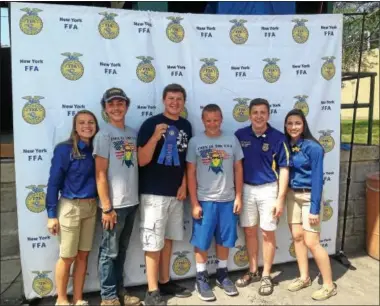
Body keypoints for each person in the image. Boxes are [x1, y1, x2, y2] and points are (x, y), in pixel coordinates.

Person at [137, 84, 192, 306]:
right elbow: (141, 160)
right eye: (171, 98)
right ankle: (152, 291)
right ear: (163, 100)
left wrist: (185, 184)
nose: (175, 103)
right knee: (153, 241)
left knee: (168, 239)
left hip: (176, 193)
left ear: (184, 102)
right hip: (154, 192)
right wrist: (154, 137)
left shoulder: (186, 125)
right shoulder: (151, 124)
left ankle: (165, 280)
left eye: (179, 99)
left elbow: (187, 160)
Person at [186, 104, 244, 301]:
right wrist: (194, 202)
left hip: (228, 200)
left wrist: (238, 197)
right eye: (208, 120)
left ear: (221, 119)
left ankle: (222, 274)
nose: (212, 123)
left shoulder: (231, 139)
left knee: (224, 239)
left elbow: (238, 169)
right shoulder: (195, 142)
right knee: (202, 241)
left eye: (216, 119)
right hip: (204, 200)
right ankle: (201, 277)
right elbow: (191, 173)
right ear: (203, 121)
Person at [234, 98, 290, 296]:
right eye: (255, 112)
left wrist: (280, 198)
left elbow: (284, 169)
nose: (259, 116)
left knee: (267, 232)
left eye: (262, 112)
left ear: (268, 114)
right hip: (246, 189)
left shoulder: (278, 137)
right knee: (249, 232)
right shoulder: (240, 135)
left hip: (268, 189)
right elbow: (235, 165)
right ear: (249, 115)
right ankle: (253, 270)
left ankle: (266, 274)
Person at [46, 110, 99, 306]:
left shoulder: (98, 148)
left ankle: (78, 298)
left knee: (83, 255)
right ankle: (61, 299)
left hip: (92, 207)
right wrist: (51, 215)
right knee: (67, 256)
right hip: (70, 207)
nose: (87, 126)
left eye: (91, 122)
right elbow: (53, 183)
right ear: (75, 126)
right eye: (82, 122)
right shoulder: (64, 149)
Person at [93, 88, 140, 306]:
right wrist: (107, 207)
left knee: (121, 250)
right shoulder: (104, 135)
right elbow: (100, 173)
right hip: (114, 205)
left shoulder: (132, 133)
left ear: (127, 106)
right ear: (105, 109)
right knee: (108, 252)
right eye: (111, 104)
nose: (116, 108)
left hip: (132, 202)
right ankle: (108, 296)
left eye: (120, 103)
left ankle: (120, 291)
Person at [284, 109, 337, 301]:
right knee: (297, 237)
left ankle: (329, 285)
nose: (293, 127)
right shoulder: (287, 145)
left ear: (304, 124)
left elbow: (317, 179)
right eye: (289, 123)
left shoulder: (313, 147)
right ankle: (304, 277)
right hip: (292, 196)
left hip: (308, 198)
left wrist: (314, 208)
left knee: (312, 242)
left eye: (297, 123)